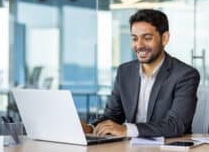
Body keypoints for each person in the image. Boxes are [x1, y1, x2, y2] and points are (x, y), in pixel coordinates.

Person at [82, 9, 200, 138]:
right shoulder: (124, 72)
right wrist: (90, 128)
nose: (139, 45)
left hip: (169, 147)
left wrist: (127, 130)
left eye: (147, 38)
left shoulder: (185, 75)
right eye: (134, 38)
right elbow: (113, 116)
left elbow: (175, 125)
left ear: (165, 38)